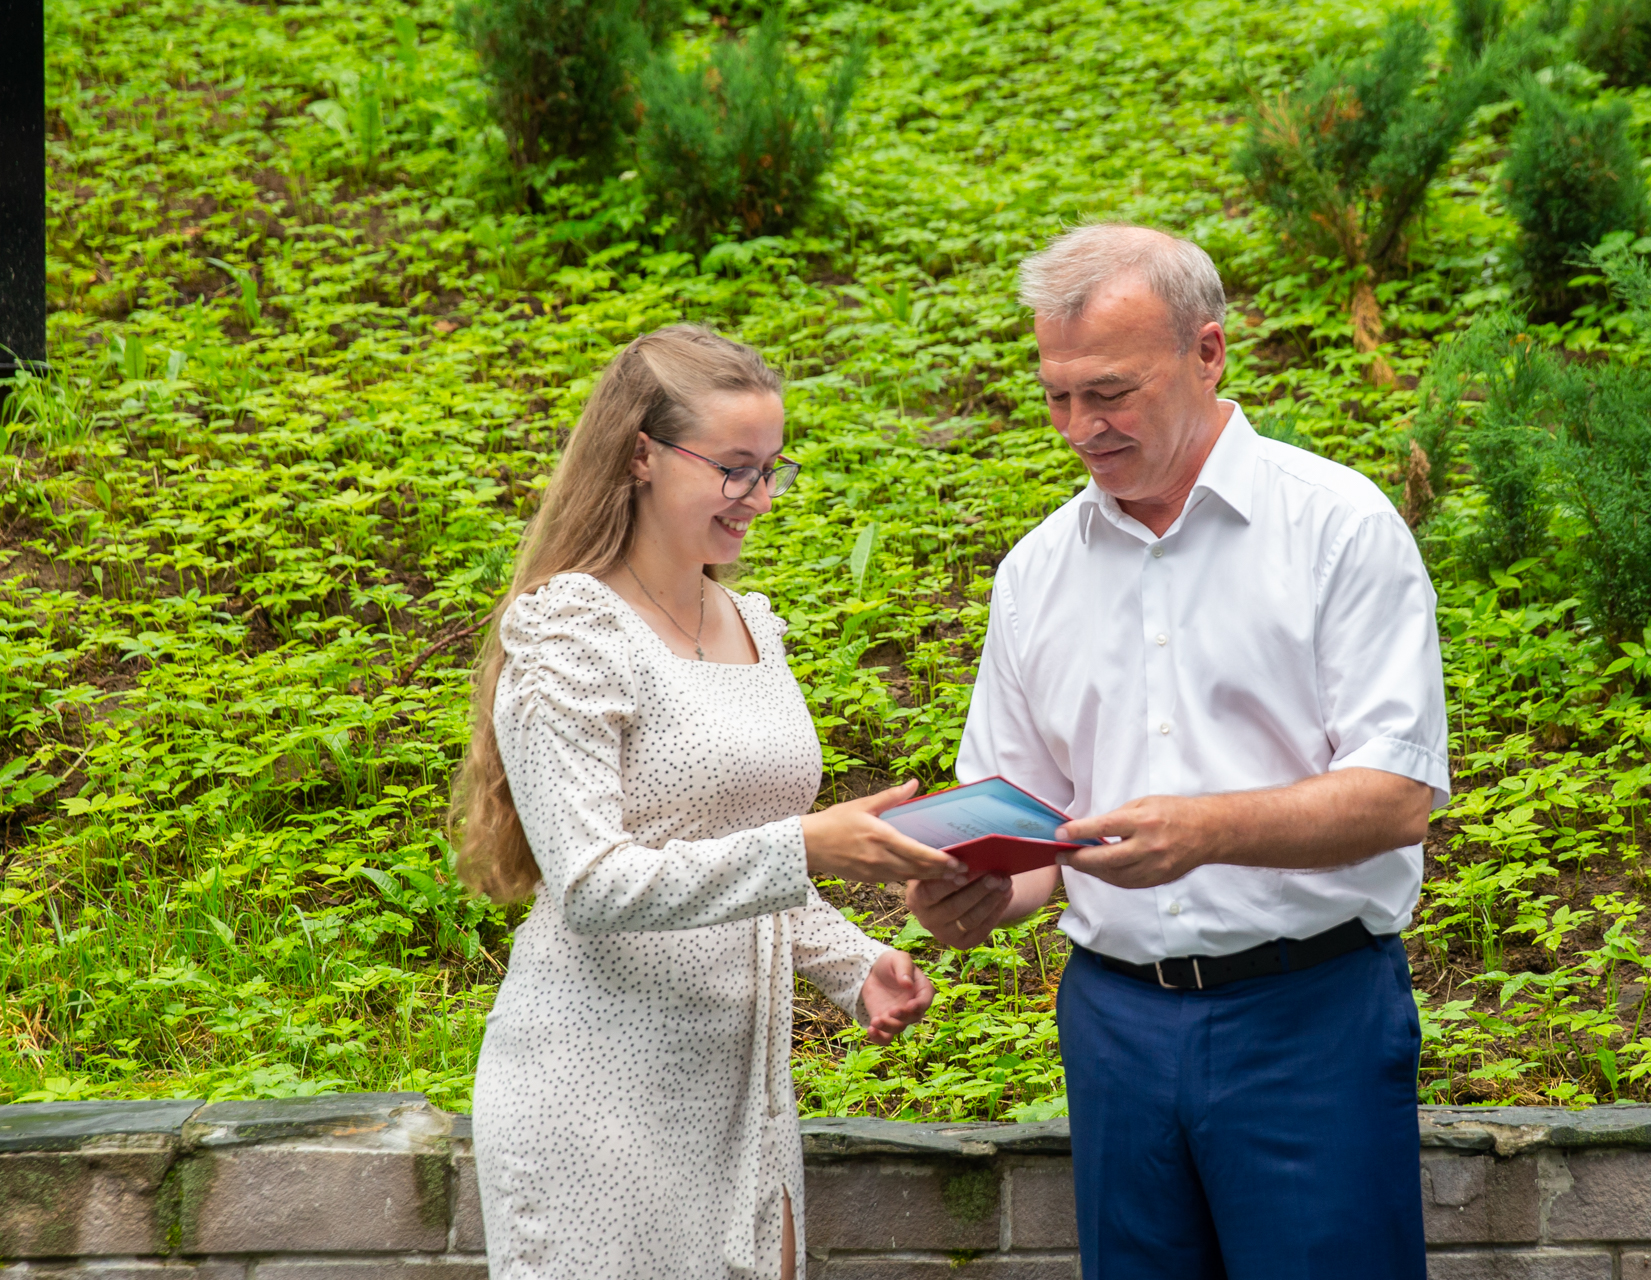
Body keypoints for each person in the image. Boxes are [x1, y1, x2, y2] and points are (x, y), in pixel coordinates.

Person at [905, 225, 1448, 1279]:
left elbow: (1395, 797)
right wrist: (979, 893)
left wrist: (1205, 832)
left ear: (1208, 354)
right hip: (1112, 1024)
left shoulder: (1337, 527)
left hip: (1309, 1015)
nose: (1080, 427)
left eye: (1110, 392)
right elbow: (1032, 823)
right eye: (1057, 396)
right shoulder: (1036, 573)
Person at [453, 325, 966, 1280]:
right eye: (735, 469)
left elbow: (739, 852)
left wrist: (853, 965)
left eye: (773, 469)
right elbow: (594, 883)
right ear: (640, 455)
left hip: (742, 1091)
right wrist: (808, 847)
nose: (760, 498)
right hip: (594, 1094)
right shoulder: (570, 630)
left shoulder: (749, 622)